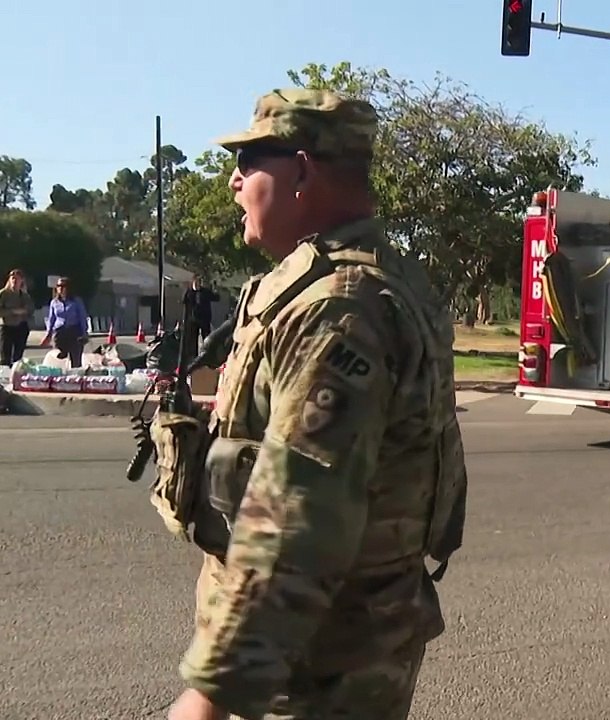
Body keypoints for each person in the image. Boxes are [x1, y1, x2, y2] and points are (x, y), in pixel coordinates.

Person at [163, 88, 468, 720]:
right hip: (329, 647)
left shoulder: (338, 306)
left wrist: (214, 692)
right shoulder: (360, 280)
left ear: (301, 170)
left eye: (249, 163)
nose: (234, 182)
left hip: (313, 666)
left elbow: (297, 513)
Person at [40, 277, 89, 368]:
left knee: (76, 359)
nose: (60, 288)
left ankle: (75, 377)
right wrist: (48, 334)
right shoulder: (54, 302)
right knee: (59, 356)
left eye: (63, 286)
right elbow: (51, 319)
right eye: (58, 286)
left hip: (74, 331)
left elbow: (82, 317)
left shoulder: (76, 301)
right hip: (60, 332)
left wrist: (84, 333)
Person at [0, 269, 35, 365]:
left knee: (18, 358)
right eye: (13, 278)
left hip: (20, 327)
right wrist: (13, 311)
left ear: (22, 281)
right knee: (5, 356)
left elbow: (30, 309)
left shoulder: (24, 295)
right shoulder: (3, 294)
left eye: (17, 279)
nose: (15, 281)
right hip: (7, 326)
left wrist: (23, 311)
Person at [182, 275, 221, 344]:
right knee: (192, 340)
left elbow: (216, 298)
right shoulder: (189, 292)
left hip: (204, 318)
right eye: (196, 282)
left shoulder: (205, 292)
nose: (197, 284)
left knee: (206, 337)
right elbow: (184, 302)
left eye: (199, 282)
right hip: (193, 319)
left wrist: (215, 289)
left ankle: (206, 351)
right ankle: (192, 354)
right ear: (193, 282)